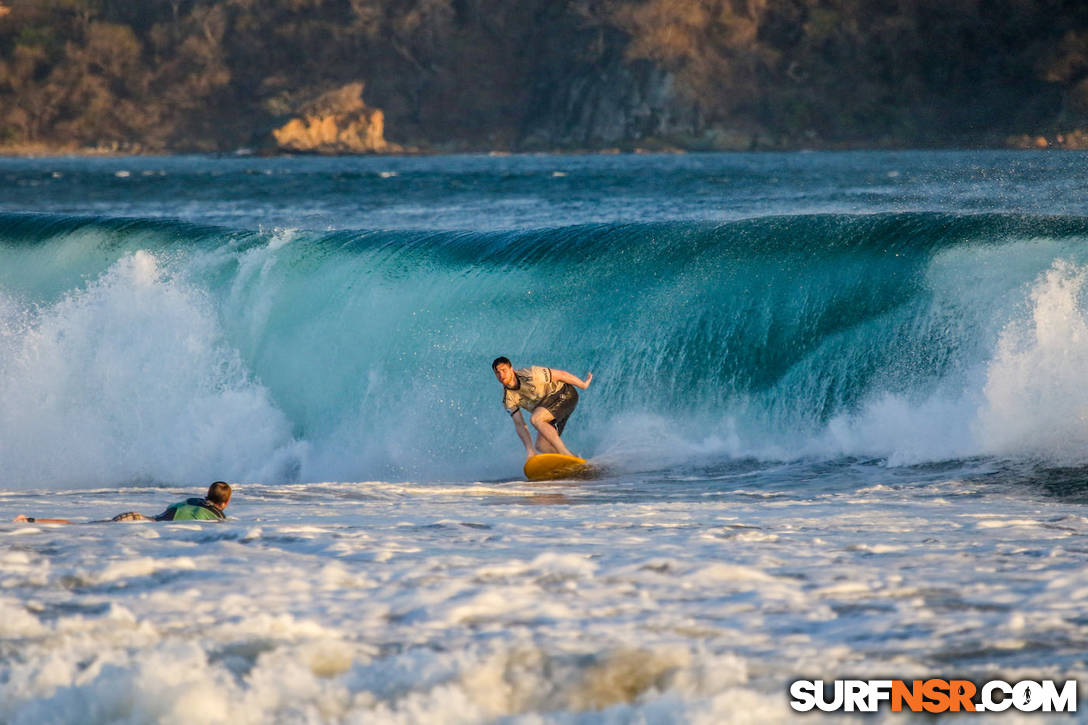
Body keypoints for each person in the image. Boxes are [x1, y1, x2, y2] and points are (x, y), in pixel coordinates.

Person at [492, 356, 593, 460]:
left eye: (504, 370)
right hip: (550, 411)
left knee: (536, 419)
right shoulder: (508, 399)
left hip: (565, 394)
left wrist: (583, 385)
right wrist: (530, 451)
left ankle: (565, 452)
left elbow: (561, 374)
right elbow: (520, 425)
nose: (501, 375)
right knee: (542, 446)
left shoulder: (531, 374)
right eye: (497, 373)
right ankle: (575, 461)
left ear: (511, 369)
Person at [13, 482, 232, 524]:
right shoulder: (215, 517)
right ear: (227, 501)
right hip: (139, 523)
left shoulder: (192, 501)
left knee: (82, 526)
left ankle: (31, 519)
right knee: (79, 527)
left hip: (139, 517)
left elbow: (172, 512)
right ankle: (29, 520)